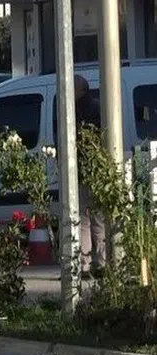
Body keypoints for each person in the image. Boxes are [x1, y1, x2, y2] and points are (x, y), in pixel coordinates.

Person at [74, 75, 108, 278]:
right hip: (96, 170)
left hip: (82, 170)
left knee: (84, 219)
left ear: (80, 90)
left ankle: (85, 264)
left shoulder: (77, 110)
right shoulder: (97, 108)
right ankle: (101, 263)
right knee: (97, 219)